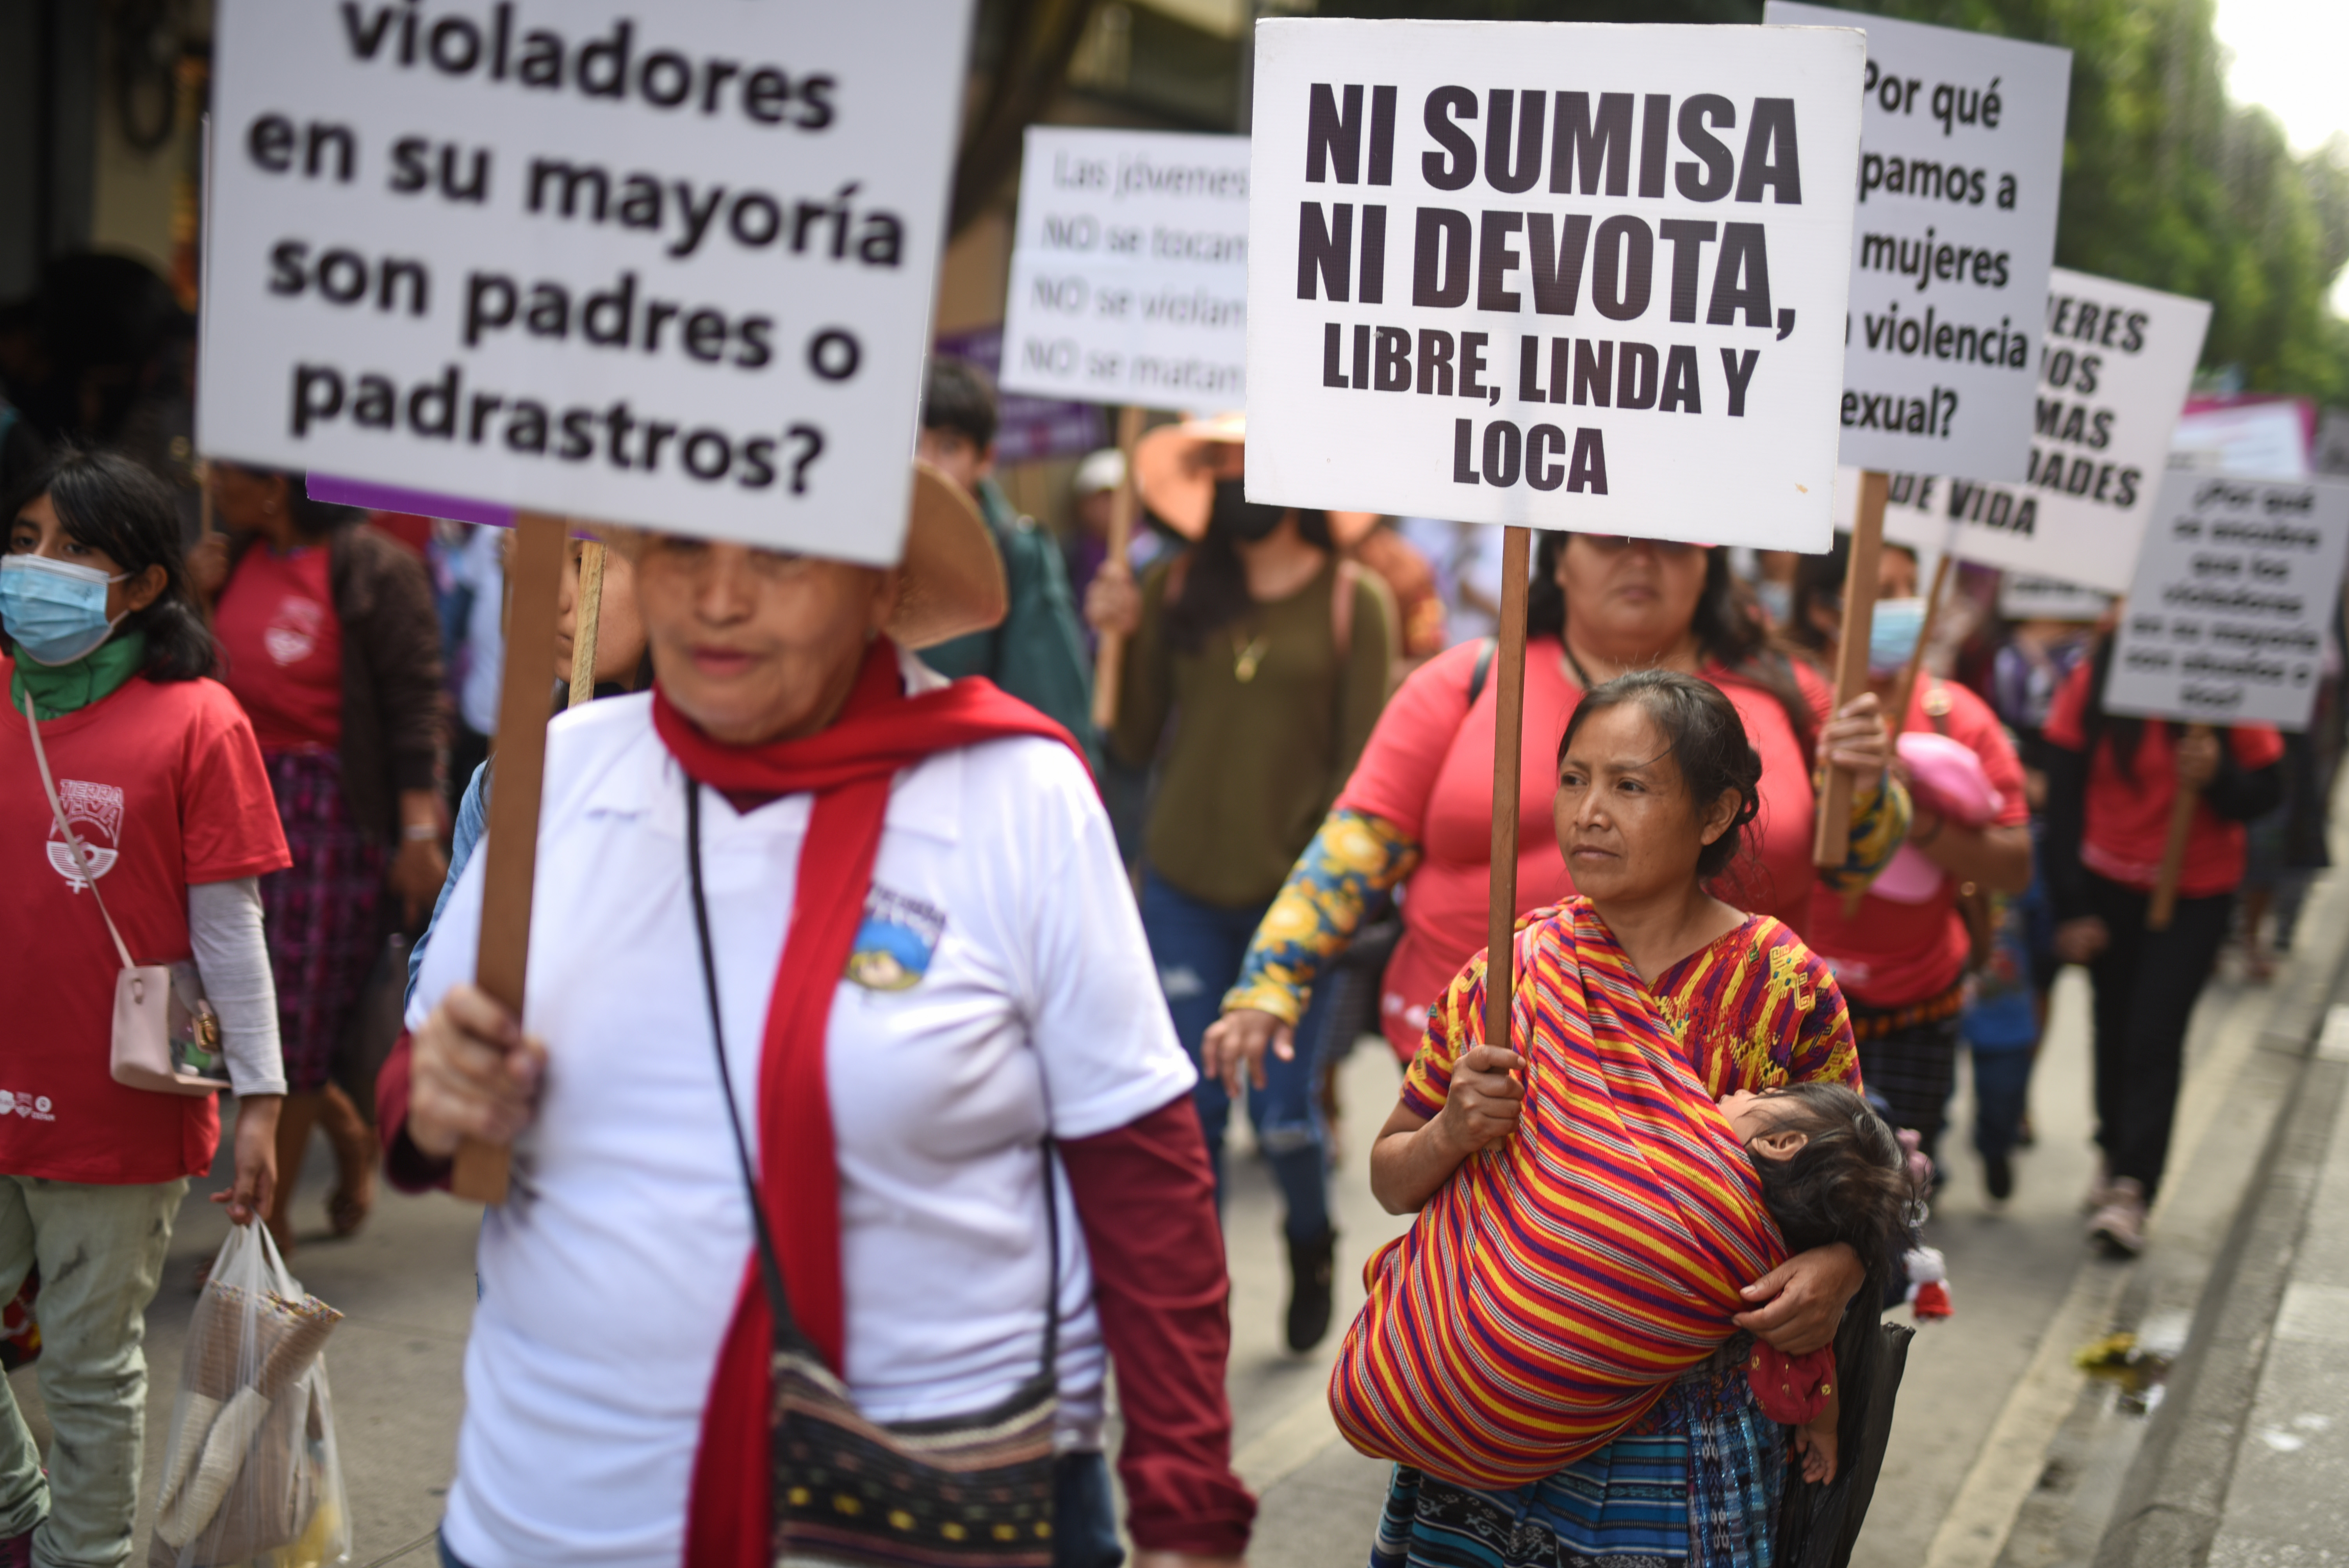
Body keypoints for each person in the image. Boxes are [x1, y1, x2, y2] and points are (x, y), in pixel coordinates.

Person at [381, 467, 1255, 1568]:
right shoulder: (559, 773)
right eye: (686, 549)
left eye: (779, 557)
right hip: (549, 1515)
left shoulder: (1016, 796)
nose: (718, 598)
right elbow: (418, 1093)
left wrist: (1187, 1511)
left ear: (878, 582)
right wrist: (434, 1098)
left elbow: (1144, 1177)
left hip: (921, 1516)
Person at [1337, 671, 1893, 1568]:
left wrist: (1836, 1264)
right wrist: (1449, 1132)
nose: (1589, 811)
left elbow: (1851, 1181)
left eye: (1629, 785)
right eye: (1573, 779)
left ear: (1716, 814)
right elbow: (1391, 1177)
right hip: (1481, 1408)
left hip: (1677, 1438)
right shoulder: (1508, 974)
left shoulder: (1781, 985)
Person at [1211, 530, 1908, 1087]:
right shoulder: (1464, 682)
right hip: (1477, 1065)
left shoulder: (1796, 694)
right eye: (1608, 539)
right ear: (1559, 561)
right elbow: (1355, 846)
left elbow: (1853, 869)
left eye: (1671, 541)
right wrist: (1269, 981)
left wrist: (1867, 787)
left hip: (1722, 1077)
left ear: (1711, 564)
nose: (1640, 558)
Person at [0, 447, 290, 1567]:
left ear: (143, 586)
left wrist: (261, 1100)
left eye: (75, 548)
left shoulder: (199, 720)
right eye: (23, 541)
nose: (37, 567)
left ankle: (85, 1557)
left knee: (84, 1363)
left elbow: (230, 929)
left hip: (119, 1101)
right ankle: (23, 1519)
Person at [1085, 414, 1395, 1354]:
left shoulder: (1356, 600)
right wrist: (1120, 639)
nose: (1231, 484)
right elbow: (1132, 740)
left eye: (1247, 467)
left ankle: (1310, 1240)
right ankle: (1196, 1303)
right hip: (1179, 886)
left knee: (1285, 1113)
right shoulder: (1169, 582)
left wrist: (1321, 904)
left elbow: (1362, 780)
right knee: (1196, 1110)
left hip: (1292, 906)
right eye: (1215, 468)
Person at [192, 464, 447, 1251]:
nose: (209, 477)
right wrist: (196, 599)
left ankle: (262, 1233)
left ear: (273, 485)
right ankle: (343, 1127)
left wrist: (416, 835)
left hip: (327, 814)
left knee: (297, 1014)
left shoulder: (375, 567)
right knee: (230, 1005)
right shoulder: (229, 558)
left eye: (229, 468)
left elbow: (414, 706)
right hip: (231, 792)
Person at [1786, 535, 2032, 1183]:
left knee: (1893, 1197)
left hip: (1914, 1009)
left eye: (1909, 589)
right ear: (1822, 609)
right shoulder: (1780, 709)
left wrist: (1910, 811)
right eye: (1881, 592)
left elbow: (2014, 865)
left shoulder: (1958, 718)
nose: (1903, 608)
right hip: (1793, 1007)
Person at [2045, 638, 2286, 1256]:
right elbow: (2064, 791)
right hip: (2106, 886)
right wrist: (2073, 905)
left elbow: (2267, 791)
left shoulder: (2222, 676)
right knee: (2115, 1025)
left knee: (2156, 1033)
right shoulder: (2097, 674)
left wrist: (2218, 777)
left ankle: (2135, 1184)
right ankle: (2113, 1148)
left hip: (2195, 892)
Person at [405, 537, 651, 1011]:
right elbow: (427, 997)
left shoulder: (717, 793)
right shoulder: (508, 782)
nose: (552, 595)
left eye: (584, 564)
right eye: (542, 562)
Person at [916, 357, 1096, 754]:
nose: (927, 464)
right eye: (914, 443)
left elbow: (1046, 708)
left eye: (948, 446)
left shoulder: (1016, 552)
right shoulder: (859, 551)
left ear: (985, 460)